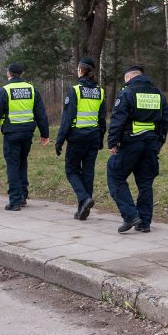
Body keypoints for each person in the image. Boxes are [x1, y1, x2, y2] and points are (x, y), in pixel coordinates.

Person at [106, 65, 168, 233]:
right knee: (145, 183)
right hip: (151, 144)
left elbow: (118, 119)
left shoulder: (127, 92)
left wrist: (112, 142)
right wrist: (159, 142)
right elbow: (165, 122)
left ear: (128, 78)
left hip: (131, 143)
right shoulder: (158, 94)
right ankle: (144, 222)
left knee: (115, 175)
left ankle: (130, 215)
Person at [0, 63, 50, 211]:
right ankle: (22, 196)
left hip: (12, 133)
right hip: (27, 133)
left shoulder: (4, 91)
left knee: (13, 165)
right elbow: (41, 114)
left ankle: (14, 200)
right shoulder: (32, 90)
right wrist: (44, 134)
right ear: (20, 74)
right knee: (22, 162)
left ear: (9, 74)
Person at [55, 57, 107, 220]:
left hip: (77, 137)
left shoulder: (75, 91)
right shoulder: (100, 91)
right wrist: (100, 138)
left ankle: (84, 199)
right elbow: (102, 118)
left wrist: (59, 140)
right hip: (93, 136)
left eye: (78, 69)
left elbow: (67, 119)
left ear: (82, 71)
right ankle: (83, 209)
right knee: (88, 173)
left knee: (71, 170)